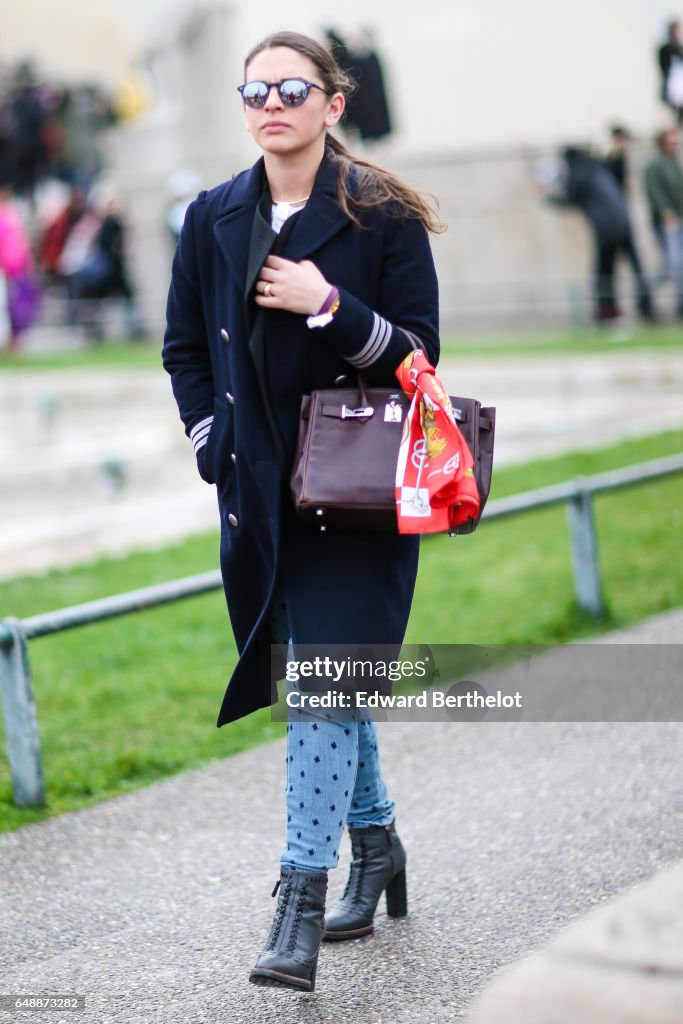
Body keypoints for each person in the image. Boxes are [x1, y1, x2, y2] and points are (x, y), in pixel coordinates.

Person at [162, 30, 441, 992]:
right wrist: (211, 444)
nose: (270, 102)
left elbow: (419, 361)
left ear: (332, 101)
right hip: (263, 499)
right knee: (322, 680)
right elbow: (184, 351)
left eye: (292, 86)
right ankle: (378, 847)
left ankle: (297, 896)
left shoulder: (381, 215)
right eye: (255, 89)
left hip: (356, 496)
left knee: (319, 685)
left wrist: (331, 307)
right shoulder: (211, 217)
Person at [542, 146, 656, 325]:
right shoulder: (597, 169)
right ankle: (647, 309)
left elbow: (568, 199)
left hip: (607, 229)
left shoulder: (580, 174)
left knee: (603, 273)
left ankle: (606, 313)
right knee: (636, 269)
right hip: (624, 224)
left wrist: (546, 196)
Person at [644, 127, 683, 317]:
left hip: (680, 220)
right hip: (668, 223)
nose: (675, 145)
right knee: (673, 264)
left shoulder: (673, 164)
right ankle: (645, 291)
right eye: (672, 141)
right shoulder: (654, 166)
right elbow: (655, 192)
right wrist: (666, 213)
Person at [657, 20, 683, 123]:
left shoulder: (680, 48)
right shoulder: (665, 49)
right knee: (671, 113)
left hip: (680, 84)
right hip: (672, 87)